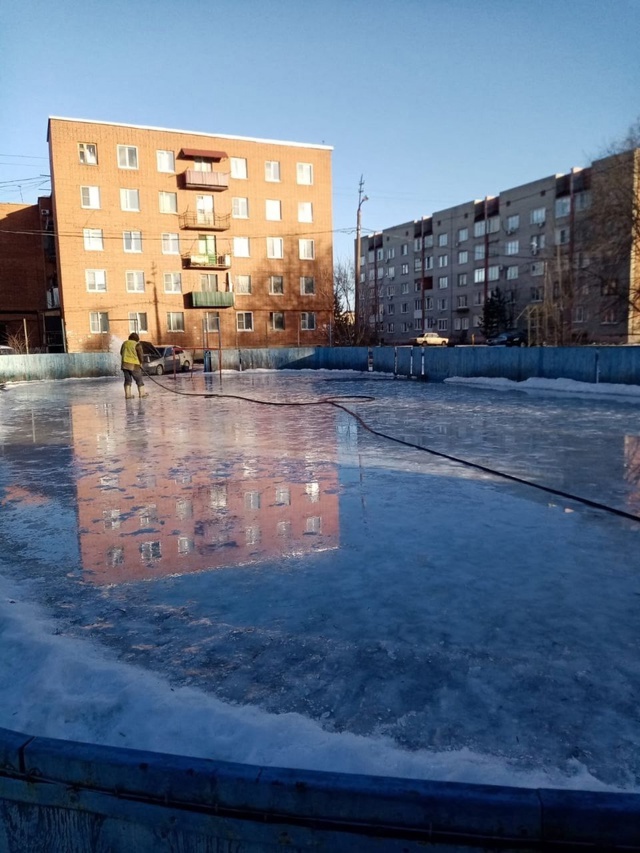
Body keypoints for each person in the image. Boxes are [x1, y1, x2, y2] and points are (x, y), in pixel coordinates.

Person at [120, 333, 148, 398]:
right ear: (137, 339)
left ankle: (128, 395)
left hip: (124, 364)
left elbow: (121, 352)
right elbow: (140, 355)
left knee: (127, 380)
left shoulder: (124, 343)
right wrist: (141, 363)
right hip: (134, 365)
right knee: (139, 379)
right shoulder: (137, 345)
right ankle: (142, 394)